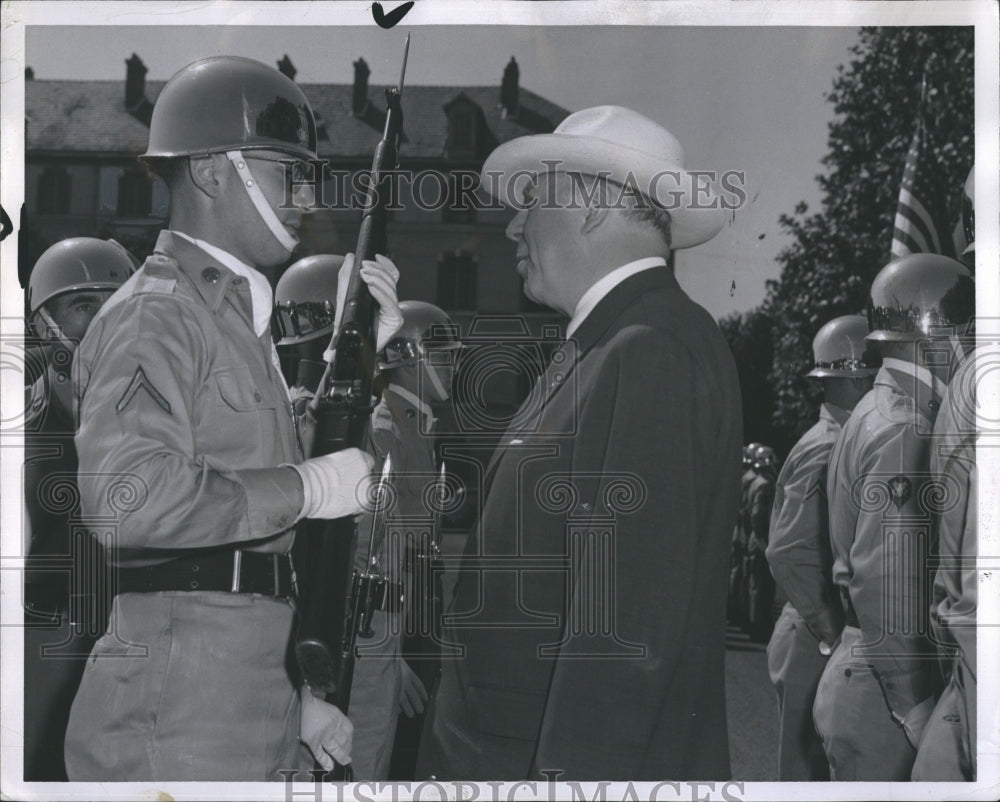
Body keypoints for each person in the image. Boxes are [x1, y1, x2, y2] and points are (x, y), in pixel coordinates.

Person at [63, 55, 404, 781]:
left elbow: (268, 487)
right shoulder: (159, 316)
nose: (306, 198)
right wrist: (307, 486)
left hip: (249, 689)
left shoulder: (235, 324)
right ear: (215, 172)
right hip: (182, 706)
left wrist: (357, 360)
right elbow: (132, 499)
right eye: (288, 171)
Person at [416, 105, 743, 780]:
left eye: (534, 199)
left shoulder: (647, 349)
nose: (512, 224)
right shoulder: (611, 345)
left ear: (592, 207)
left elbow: (622, 635)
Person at [814, 254, 974, 781]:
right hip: (888, 694)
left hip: (867, 674)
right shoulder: (904, 427)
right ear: (936, 333)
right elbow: (888, 587)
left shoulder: (882, 410)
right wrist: (917, 708)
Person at [22, 237, 134, 780]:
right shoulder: (18, 405)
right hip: (41, 627)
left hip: (131, 627)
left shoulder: (153, 401)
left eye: (113, 303)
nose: (102, 318)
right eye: (83, 305)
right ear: (46, 322)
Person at [349, 301, 461, 779]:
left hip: (406, 635)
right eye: (444, 355)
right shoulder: (386, 434)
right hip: (373, 646)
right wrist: (387, 662)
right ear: (409, 357)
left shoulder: (417, 431)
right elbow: (360, 565)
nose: (453, 365)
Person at [764, 314, 877, 780]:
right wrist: (833, 630)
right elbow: (787, 550)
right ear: (855, 376)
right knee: (805, 778)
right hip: (816, 629)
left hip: (811, 627)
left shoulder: (835, 437)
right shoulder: (830, 443)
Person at [744, 444, 778, 642]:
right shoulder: (763, 484)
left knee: (753, 582)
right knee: (759, 585)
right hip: (760, 538)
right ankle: (757, 624)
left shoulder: (756, 482)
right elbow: (757, 514)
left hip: (754, 536)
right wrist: (762, 539)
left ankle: (754, 621)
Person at [728, 443, 761, 626]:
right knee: (743, 575)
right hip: (743, 530)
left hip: (739, 528)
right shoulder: (751, 479)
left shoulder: (744, 477)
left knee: (739, 574)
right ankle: (738, 613)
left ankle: (735, 611)